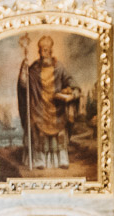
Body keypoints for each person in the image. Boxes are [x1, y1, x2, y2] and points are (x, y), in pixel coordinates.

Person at [17, 35, 76, 169]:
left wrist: (71, 90)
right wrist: (23, 70)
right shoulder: (34, 69)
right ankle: (40, 160)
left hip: (56, 107)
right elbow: (24, 86)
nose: (45, 52)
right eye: (42, 50)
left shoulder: (59, 67)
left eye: (47, 49)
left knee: (60, 133)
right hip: (39, 107)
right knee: (39, 132)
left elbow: (71, 82)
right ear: (39, 51)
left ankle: (61, 159)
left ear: (51, 50)